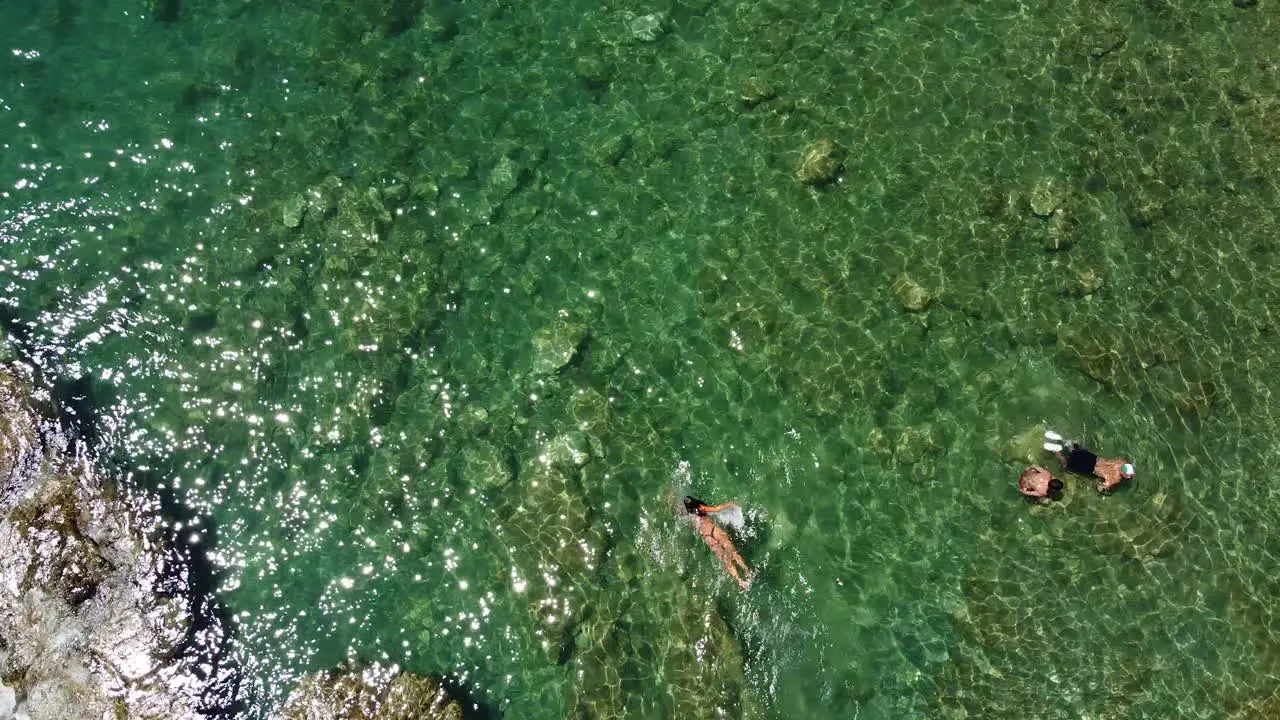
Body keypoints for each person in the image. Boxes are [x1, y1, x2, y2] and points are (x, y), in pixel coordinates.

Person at [683, 495, 752, 591]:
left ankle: (740, 581)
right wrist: (731, 504)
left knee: (726, 560)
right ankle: (747, 572)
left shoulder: (691, 517)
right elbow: (717, 509)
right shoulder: (701, 507)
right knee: (733, 552)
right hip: (714, 531)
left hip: (708, 538)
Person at [1043, 430, 1135, 492]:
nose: (1129, 476)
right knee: (1066, 465)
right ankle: (1056, 451)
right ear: (1124, 474)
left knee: (1076, 450)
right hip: (1090, 468)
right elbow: (1100, 487)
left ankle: (1063, 441)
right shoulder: (1115, 478)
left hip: (1094, 458)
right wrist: (1102, 487)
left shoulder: (1122, 461)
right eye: (1128, 475)